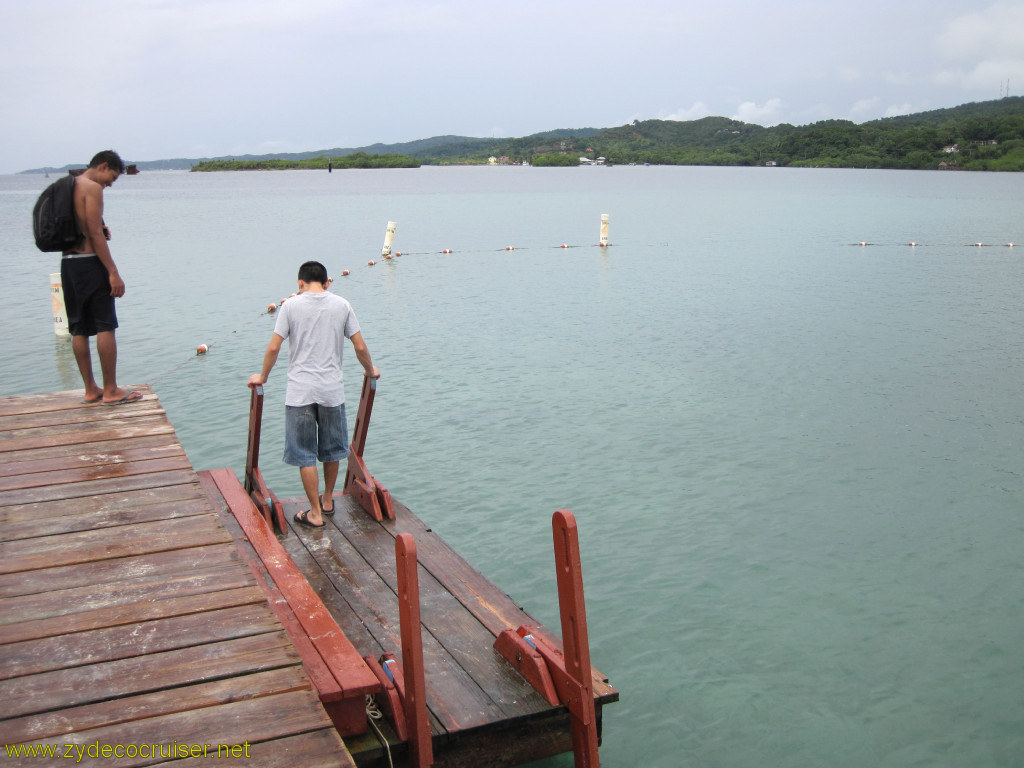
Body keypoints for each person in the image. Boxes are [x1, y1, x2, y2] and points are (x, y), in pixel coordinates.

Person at [249, 260, 380, 528]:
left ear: (300, 283)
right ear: (327, 281)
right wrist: (370, 369)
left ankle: (314, 513)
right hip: (332, 390)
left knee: (305, 454)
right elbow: (359, 345)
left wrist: (262, 377)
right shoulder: (342, 305)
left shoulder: (290, 306)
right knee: (332, 449)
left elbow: (274, 348)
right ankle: (329, 500)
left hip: (300, 393)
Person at [63, 149, 141, 406]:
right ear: (103, 166)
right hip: (89, 264)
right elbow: (95, 235)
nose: (108, 185)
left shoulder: (68, 185)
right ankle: (110, 390)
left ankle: (90, 390)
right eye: (111, 178)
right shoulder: (92, 187)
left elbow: (82, 226)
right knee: (105, 325)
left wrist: (97, 229)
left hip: (69, 264)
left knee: (78, 328)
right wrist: (113, 273)